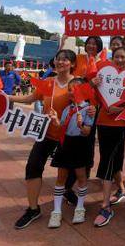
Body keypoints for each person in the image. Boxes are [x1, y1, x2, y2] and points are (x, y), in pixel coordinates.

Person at [11, 49, 95, 229]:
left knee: (77, 170)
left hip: (71, 138)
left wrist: (92, 110)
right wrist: (5, 97)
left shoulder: (78, 83)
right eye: (58, 59)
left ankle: (67, 191)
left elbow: (89, 103)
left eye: (65, 60)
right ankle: (33, 209)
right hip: (46, 134)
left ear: (72, 64)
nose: (60, 62)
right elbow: (29, 98)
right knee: (33, 165)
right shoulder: (48, 82)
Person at [91, 47, 125, 227]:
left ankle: (105, 205)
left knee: (108, 160)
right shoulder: (103, 76)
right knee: (112, 158)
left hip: (120, 124)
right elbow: (94, 98)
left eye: (122, 57)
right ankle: (122, 190)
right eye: (116, 56)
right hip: (103, 122)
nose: (119, 59)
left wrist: (118, 109)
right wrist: (92, 85)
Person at [47, 78, 95, 228]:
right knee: (61, 177)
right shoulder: (67, 109)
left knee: (81, 176)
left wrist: (81, 125)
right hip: (65, 144)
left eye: (75, 88)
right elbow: (62, 127)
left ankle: (80, 207)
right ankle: (56, 211)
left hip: (79, 145)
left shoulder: (89, 109)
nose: (71, 92)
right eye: (69, 89)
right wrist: (55, 119)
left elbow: (87, 132)